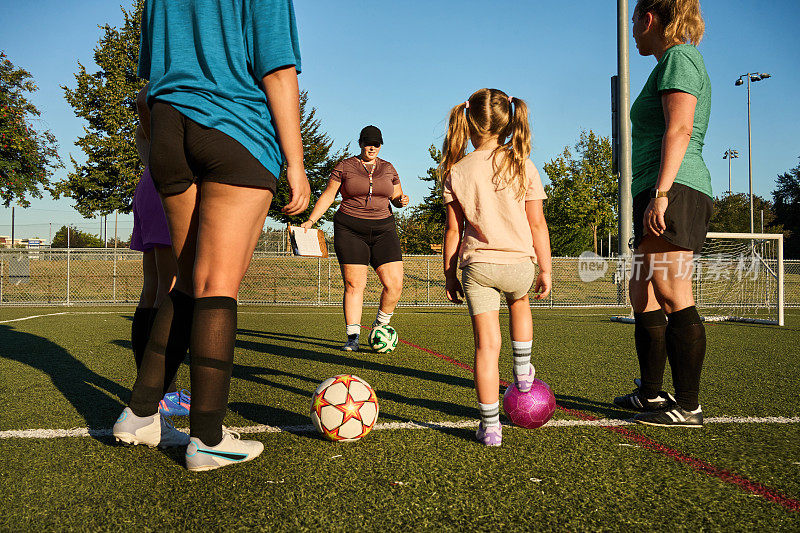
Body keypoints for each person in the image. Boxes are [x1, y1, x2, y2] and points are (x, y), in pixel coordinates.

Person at [113, 0, 309, 472]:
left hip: (168, 129)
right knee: (217, 283)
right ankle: (208, 436)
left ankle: (140, 413)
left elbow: (148, 84)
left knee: (184, 281)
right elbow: (278, 71)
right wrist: (297, 165)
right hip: (233, 128)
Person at [613, 0, 712, 428]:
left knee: (672, 289)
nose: (633, 30)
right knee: (643, 294)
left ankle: (688, 406)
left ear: (648, 19)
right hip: (655, 190)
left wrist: (662, 192)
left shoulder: (679, 57)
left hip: (676, 187)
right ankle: (651, 394)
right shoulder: (666, 63)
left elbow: (680, 128)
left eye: (634, 20)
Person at [441, 88, 552, 446]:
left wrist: (449, 272)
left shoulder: (456, 170)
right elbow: (537, 224)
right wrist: (546, 268)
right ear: (507, 122)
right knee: (520, 304)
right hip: (519, 263)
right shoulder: (523, 164)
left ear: (468, 120)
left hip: (478, 267)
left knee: (486, 349)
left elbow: (454, 229)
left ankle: (490, 427)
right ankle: (522, 373)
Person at [300, 125, 409, 351]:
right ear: (360, 143)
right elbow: (329, 195)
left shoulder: (389, 168)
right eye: (368, 142)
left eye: (376, 143)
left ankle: (380, 326)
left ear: (381, 145)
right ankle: (353, 337)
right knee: (354, 284)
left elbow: (397, 196)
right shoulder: (345, 166)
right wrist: (311, 220)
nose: (372, 147)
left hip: (384, 229)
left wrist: (401, 201)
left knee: (394, 284)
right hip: (350, 229)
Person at [129, 84, 190, 417]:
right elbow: (143, 101)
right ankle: (163, 393)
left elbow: (142, 102)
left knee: (153, 290)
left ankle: (155, 389)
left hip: (150, 186)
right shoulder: (168, 89)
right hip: (166, 189)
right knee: (169, 290)